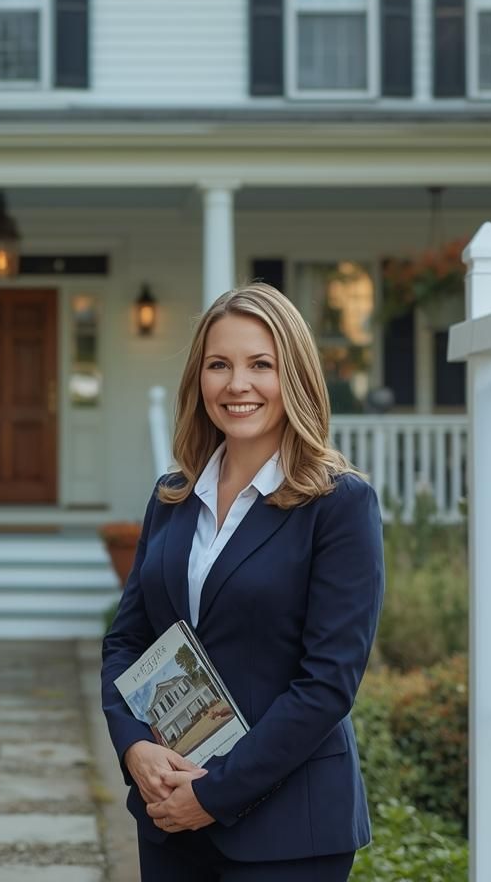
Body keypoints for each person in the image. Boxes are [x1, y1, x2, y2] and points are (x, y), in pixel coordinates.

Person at [101, 284, 384, 882]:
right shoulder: (172, 496)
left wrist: (213, 794)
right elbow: (128, 644)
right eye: (219, 365)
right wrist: (133, 747)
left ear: (297, 377)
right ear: (198, 380)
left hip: (288, 828)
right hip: (168, 815)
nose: (237, 385)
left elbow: (327, 684)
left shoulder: (339, 504)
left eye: (261, 365)